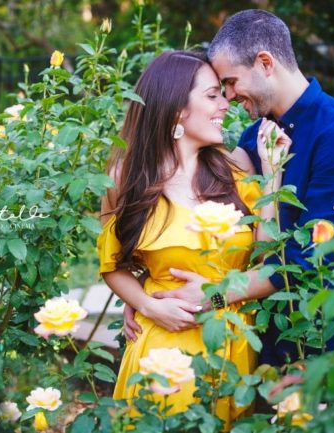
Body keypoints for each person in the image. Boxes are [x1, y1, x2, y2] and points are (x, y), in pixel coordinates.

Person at [122, 9, 334, 366]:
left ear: (265, 63)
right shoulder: (256, 135)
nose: (228, 97)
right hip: (269, 341)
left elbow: (307, 260)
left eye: (230, 82)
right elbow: (193, 206)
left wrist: (212, 297)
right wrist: (145, 293)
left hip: (329, 342)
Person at [97, 50, 290, 424]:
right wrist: (148, 305)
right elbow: (112, 265)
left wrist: (272, 174)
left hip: (233, 345)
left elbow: (271, 263)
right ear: (175, 109)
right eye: (212, 95)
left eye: (223, 93)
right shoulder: (127, 179)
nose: (226, 104)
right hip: (165, 347)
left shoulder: (237, 169)